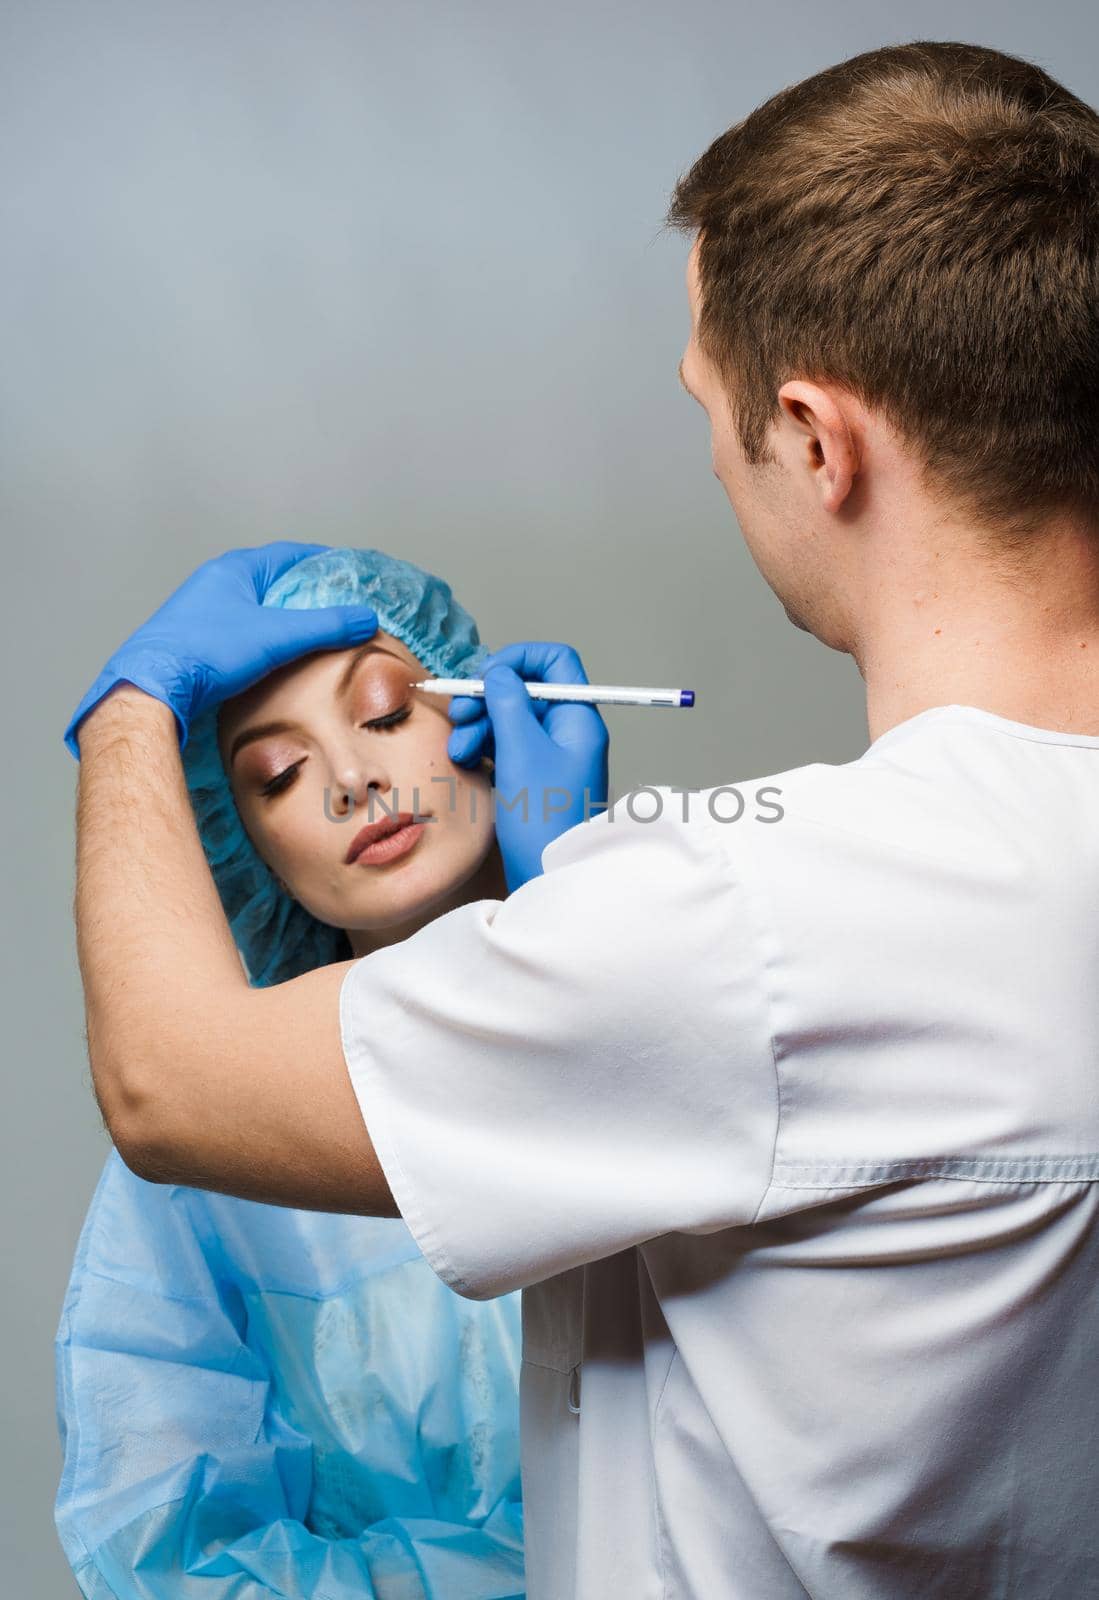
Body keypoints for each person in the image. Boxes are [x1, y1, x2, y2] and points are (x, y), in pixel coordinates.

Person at [63, 39, 1099, 1600]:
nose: (702, 445)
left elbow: (160, 1083)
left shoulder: (733, 925)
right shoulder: (750, 920)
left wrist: (134, 706)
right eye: (268, 771)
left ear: (816, 444)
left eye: (707, 399)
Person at [54, 550, 527, 1600]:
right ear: (244, 848)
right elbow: (165, 1542)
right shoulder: (211, 1155)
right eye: (278, 775)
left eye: (387, 713)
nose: (353, 780)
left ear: (485, 713)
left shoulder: (687, 991)